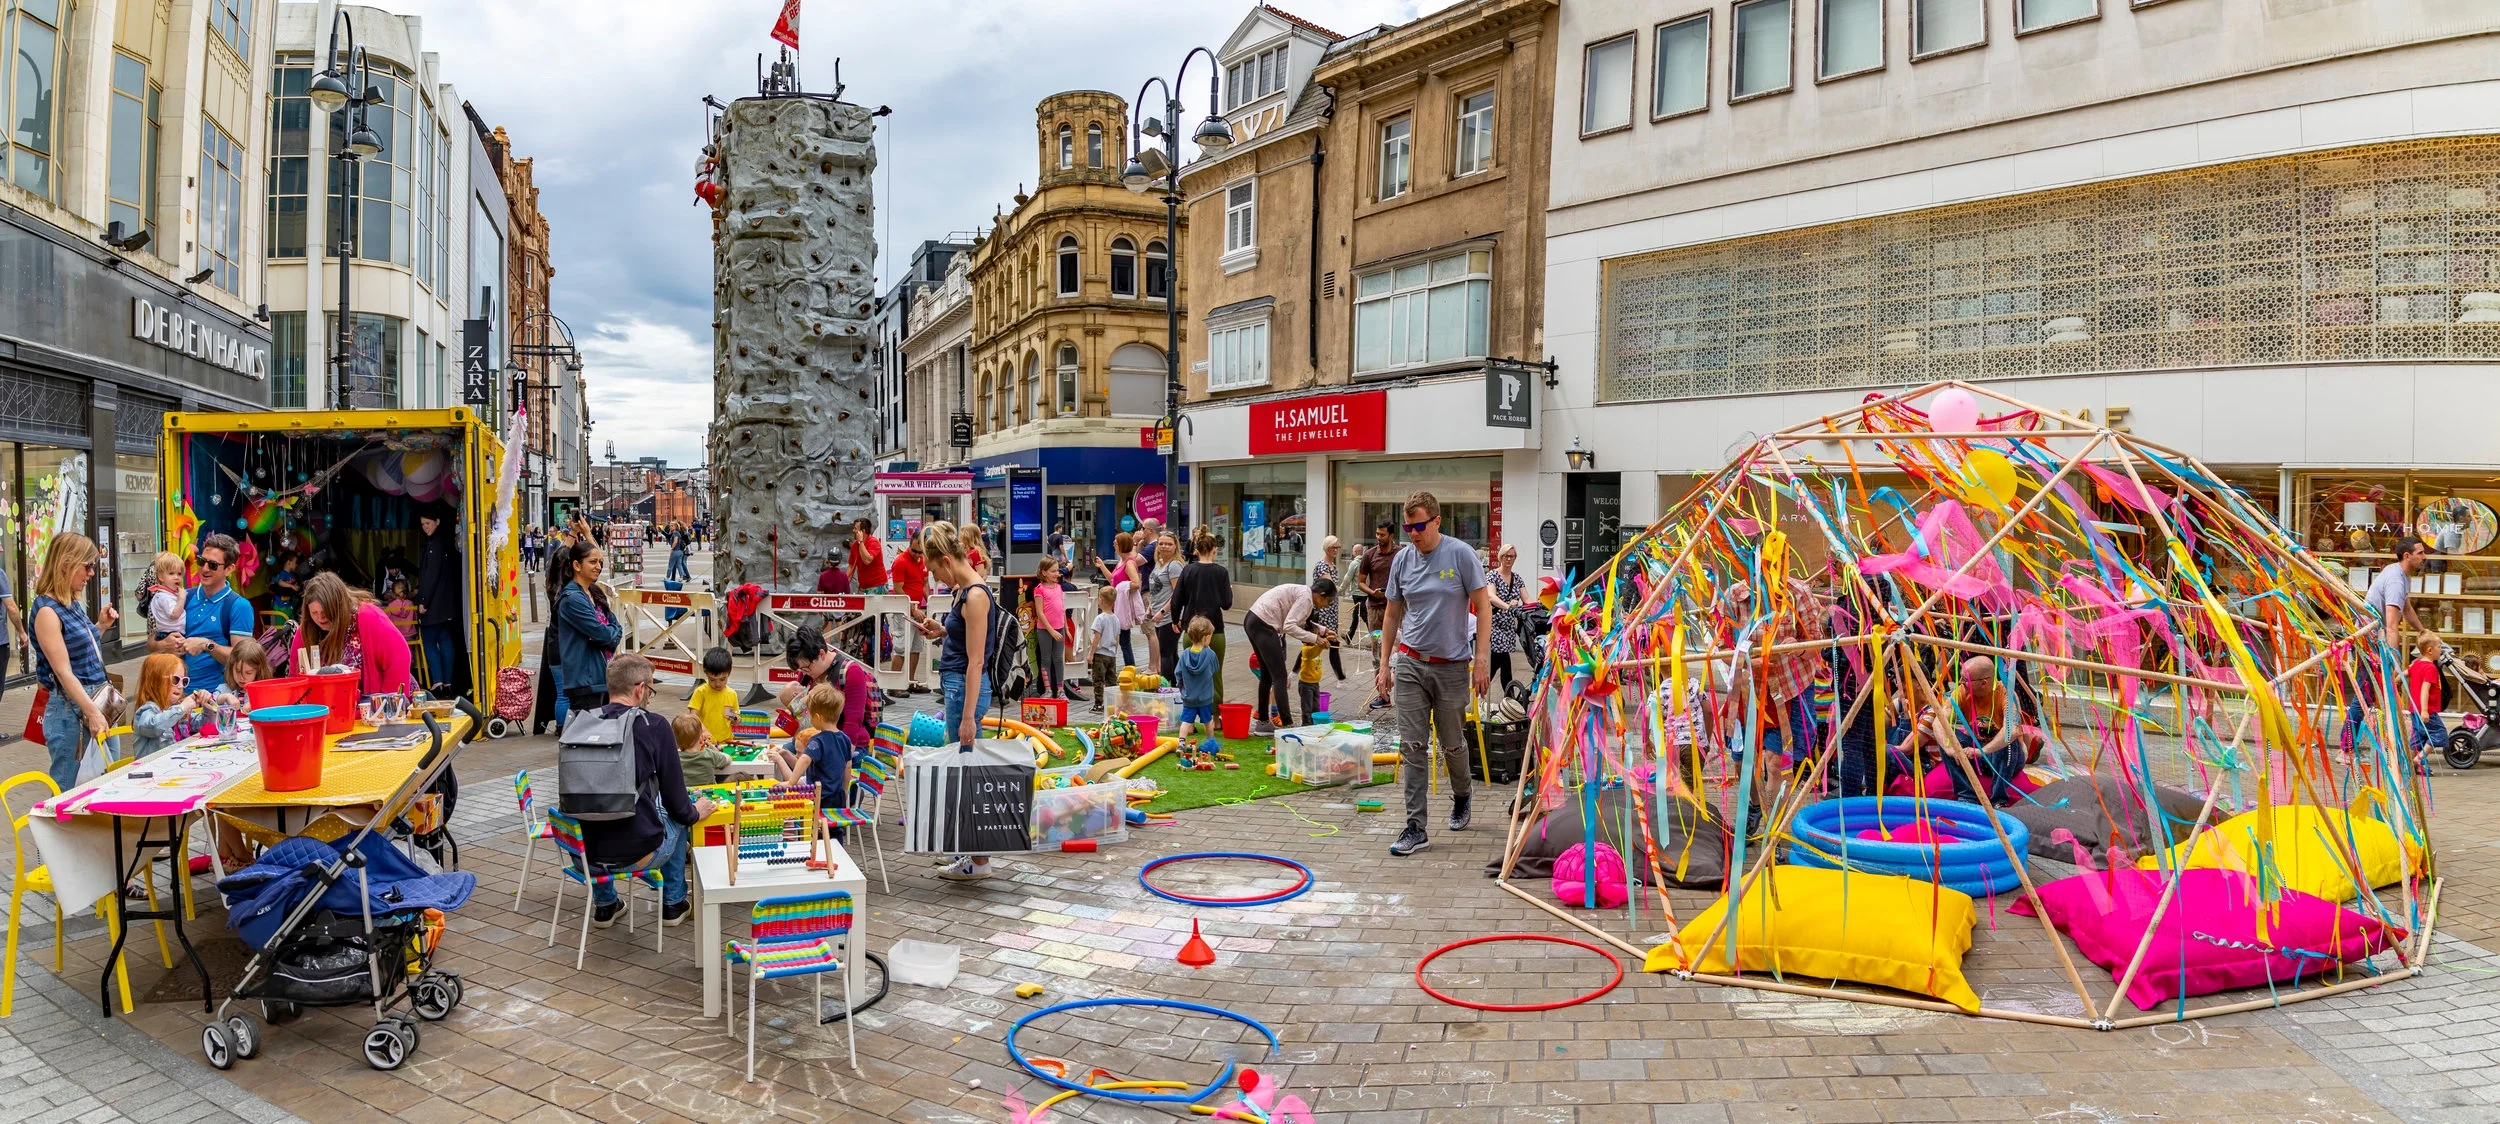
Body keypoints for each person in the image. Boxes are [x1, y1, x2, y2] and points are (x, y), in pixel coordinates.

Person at [1376, 491, 1492, 857]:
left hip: (1452, 666)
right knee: (1412, 746)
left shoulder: (1460, 554)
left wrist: (1483, 659)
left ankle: (1462, 794)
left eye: (1419, 526)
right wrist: (1384, 665)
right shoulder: (1402, 561)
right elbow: (1392, 614)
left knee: (1452, 743)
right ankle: (1416, 826)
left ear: (1437, 521)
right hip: (1410, 663)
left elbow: (1483, 606)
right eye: (1408, 527)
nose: (1413, 534)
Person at [578, 656, 712, 927]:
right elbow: (677, 803)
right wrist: (695, 812)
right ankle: (673, 903)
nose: (649, 696)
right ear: (640, 689)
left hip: (584, 854)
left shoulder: (581, 724)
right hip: (639, 854)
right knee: (677, 816)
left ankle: (605, 905)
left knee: (601, 814)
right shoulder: (655, 726)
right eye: (650, 689)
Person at [909, 521, 996, 882]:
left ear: (946, 559)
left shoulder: (974, 594)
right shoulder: (964, 589)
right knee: (962, 773)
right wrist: (942, 629)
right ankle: (968, 852)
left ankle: (978, 860)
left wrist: (967, 719)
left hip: (965, 688)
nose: (936, 579)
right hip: (958, 684)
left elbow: (977, 660)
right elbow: (963, 642)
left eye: (934, 571)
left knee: (967, 774)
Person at [29, 533, 118, 790]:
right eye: (88, 565)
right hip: (73, 709)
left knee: (107, 780)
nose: (92, 573)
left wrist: (100, 626)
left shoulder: (70, 603)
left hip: (93, 701)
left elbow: (81, 652)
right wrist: (92, 713)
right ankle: (61, 831)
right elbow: (64, 671)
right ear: (66, 563)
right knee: (69, 791)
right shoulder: (47, 611)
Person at [2349, 535, 2433, 752]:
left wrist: (2423, 631)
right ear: (2407, 556)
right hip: (2370, 640)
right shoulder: (2396, 580)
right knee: (2366, 694)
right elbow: (2392, 626)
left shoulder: (2399, 573)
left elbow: (2407, 609)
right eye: (2420, 553)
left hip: (2373, 638)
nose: (2424, 557)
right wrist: (2393, 658)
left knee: (2370, 695)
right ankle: (2346, 748)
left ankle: (2361, 746)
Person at [1925, 656, 2042, 806]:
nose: (1960, 683)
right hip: (1977, 752)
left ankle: (1999, 800)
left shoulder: (2007, 693)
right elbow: (1939, 721)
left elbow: (2011, 730)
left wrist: (1982, 751)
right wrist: (1949, 749)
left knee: (2007, 743)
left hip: (2004, 758)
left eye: (1965, 679)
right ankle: (1966, 795)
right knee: (1947, 737)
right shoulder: (1961, 691)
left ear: (1984, 683)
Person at [159, 533, 255, 695]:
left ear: (229, 569)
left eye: (212, 565)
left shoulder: (239, 606)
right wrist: (163, 645)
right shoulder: (184, 597)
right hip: (175, 696)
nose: (204, 569)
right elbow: (151, 643)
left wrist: (206, 645)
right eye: (202, 561)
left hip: (216, 696)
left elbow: (242, 659)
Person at [295, 572, 415, 700]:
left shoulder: (368, 617)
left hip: (378, 708)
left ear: (339, 606)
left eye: (326, 612)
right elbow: (295, 678)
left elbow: (399, 656)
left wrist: (387, 705)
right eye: (314, 613)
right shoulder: (306, 631)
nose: (320, 618)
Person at [1243, 579, 1336, 733]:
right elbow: (1290, 626)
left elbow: (1302, 622)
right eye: (1328, 601)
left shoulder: (1304, 594)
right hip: (1264, 623)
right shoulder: (1306, 598)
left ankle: (1263, 723)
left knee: (1267, 675)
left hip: (1253, 619)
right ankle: (1287, 725)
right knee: (1280, 677)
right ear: (1321, 595)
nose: (1326, 606)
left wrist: (1323, 631)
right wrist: (1315, 639)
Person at [549, 540, 623, 717]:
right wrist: (606, 635)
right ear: (576, 565)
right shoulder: (572, 598)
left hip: (601, 676)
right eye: (592, 562)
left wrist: (607, 635)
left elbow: (616, 628)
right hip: (584, 680)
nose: (598, 567)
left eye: (600, 562)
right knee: (589, 735)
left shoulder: (594, 592)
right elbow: (602, 633)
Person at [777, 626, 877, 749]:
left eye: (805, 668)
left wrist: (842, 758)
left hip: (844, 744)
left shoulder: (851, 672)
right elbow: (801, 709)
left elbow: (852, 724)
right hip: (813, 740)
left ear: (822, 654)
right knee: (780, 756)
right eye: (800, 669)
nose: (803, 673)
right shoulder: (807, 672)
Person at [773, 683, 854, 824]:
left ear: (818, 717)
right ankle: (834, 844)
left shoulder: (817, 740)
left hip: (818, 794)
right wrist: (845, 788)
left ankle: (819, 845)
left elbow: (804, 759)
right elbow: (848, 766)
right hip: (837, 794)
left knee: (815, 827)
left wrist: (791, 782)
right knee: (834, 827)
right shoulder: (845, 738)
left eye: (810, 715)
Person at [1171, 534, 1233, 707]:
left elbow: (1176, 599)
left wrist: (1176, 620)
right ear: (1215, 550)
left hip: (1191, 629)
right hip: (1215, 631)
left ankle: (1189, 718)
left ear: (1196, 551)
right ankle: (1214, 717)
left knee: (1189, 674)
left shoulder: (1188, 570)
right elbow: (1227, 604)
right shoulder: (1221, 572)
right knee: (1215, 674)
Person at [414, 504, 468, 697]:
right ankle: (448, 681)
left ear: (437, 522)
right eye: (422, 524)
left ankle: (437, 681)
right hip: (447, 605)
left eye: (427, 523)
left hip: (434, 606)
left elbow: (430, 576)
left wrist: (423, 600)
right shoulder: (445, 542)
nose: (425, 527)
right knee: (445, 640)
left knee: (429, 641)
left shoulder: (433, 546)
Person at [129, 654, 212, 760]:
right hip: (152, 771)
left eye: (184, 681)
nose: (180, 686)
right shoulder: (147, 710)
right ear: (156, 681)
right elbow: (154, 727)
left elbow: (204, 725)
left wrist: (208, 705)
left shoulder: (178, 708)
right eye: (175, 680)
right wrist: (181, 708)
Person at [1355, 522, 1397, 699]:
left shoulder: (1401, 554)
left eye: (1383, 535)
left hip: (1396, 608)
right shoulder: (1369, 555)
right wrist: (1372, 592)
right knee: (1377, 651)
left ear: (1391, 536)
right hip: (1374, 609)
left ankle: (1398, 692)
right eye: (1377, 534)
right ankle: (1382, 695)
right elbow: (1361, 582)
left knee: (1397, 650)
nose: (1379, 538)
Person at [889, 526, 932, 695]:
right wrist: (913, 609)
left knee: (916, 647)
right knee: (901, 647)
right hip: (904, 611)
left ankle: (910, 681)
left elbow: (925, 583)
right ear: (909, 545)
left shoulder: (922, 561)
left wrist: (928, 602)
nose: (917, 555)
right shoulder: (900, 561)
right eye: (914, 551)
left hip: (917, 609)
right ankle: (894, 685)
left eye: (920, 552)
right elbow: (898, 589)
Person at [1096, 531, 1143, 670]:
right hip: (1116, 605)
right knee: (1121, 640)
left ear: (1122, 545)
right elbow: (1113, 579)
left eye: (1115, 543)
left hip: (1122, 607)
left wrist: (1123, 587)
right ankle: (1127, 668)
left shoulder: (1128, 563)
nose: (1113, 545)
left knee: (1124, 640)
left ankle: (1130, 668)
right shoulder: (1121, 561)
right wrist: (1102, 566)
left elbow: (1136, 583)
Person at [1485, 545, 1527, 693]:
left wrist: (1540, 608)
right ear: (1500, 557)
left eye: (1512, 556)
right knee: (1502, 659)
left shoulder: (1517, 578)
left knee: (1498, 661)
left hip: (1508, 627)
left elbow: (1527, 599)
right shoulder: (1492, 576)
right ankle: (1508, 695)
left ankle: (1481, 688)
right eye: (1506, 556)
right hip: (1494, 625)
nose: (1509, 559)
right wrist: (1508, 606)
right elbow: (1491, 596)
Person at [1030, 556, 1073, 700]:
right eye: (1053, 571)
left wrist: (1066, 628)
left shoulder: (1059, 587)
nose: (1057, 574)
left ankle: (1060, 690)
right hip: (1045, 630)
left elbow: (1062, 610)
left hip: (1059, 628)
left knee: (1058, 659)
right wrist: (1051, 630)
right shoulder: (1039, 590)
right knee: (1046, 659)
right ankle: (1048, 690)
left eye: (1057, 571)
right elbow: (1040, 613)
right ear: (1044, 572)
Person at [1144, 533, 1184, 681]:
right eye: (1161, 544)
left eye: (1169, 544)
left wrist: (1162, 611)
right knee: (1171, 652)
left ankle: (1166, 685)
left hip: (1170, 617)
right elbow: (1156, 590)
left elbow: (1177, 594)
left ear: (1175, 547)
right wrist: (1150, 609)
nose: (1164, 547)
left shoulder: (1174, 565)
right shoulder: (1160, 562)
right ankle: (1178, 684)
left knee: (1165, 653)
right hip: (1158, 614)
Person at [1175, 617, 1219, 743]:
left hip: (1189, 697)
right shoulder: (1210, 655)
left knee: (1186, 721)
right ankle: (1211, 743)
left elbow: (1177, 673)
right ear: (1206, 637)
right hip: (1205, 698)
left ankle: (1181, 742)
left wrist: (1182, 687)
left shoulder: (1184, 655)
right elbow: (1215, 668)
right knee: (1207, 722)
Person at [1309, 536, 1347, 683]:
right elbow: (1330, 587)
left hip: (1332, 609)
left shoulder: (1332, 566)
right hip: (1323, 610)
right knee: (1320, 643)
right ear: (1326, 548)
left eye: (1337, 547)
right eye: (1333, 547)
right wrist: (1344, 589)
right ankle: (1298, 671)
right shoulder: (1323, 566)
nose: (1336, 550)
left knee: (1331, 643)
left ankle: (1340, 677)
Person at [2409, 632, 2446, 771]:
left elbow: (2406, 672)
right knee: (2439, 733)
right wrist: (2425, 710)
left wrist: (2397, 681)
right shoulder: (2431, 668)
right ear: (2430, 650)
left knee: (2418, 737)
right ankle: (2419, 758)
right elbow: (2425, 689)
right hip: (2427, 710)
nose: (2441, 649)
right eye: (2439, 646)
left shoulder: (2417, 663)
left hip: (2414, 708)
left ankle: (2410, 766)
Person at [689, 647, 740, 746]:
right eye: (712, 680)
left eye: (722, 679)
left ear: (729, 673)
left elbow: (732, 717)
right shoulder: (701, 692)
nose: (717, 684)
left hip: (726, 742)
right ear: (706, 673)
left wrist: (736, 719)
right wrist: (704, 731)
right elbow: (692, 716)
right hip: (705, 743)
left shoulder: (731, 694)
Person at [672, 712, 731, 788]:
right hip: (709, 796)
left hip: (686, 797)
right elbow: (728, 758)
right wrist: (716, 751)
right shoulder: (709, 754)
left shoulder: (674, 758)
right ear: (701, 737)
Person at [1086, 586, 1119, 711]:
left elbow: (1097, 637)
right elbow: (1117, 638)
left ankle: (1098, 703)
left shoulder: (1100, 618)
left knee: (1098, 680)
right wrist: (1115, 651)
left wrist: (1091, 653)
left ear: (1101, 600)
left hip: (1100, 653)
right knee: (1111, 680)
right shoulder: (1116, 618)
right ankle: (1111, 704)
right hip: (1111, 654)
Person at [142, 553, 186, 642]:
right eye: (171, 573)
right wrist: (182, 598)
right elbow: (174, 615)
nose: (176, 577)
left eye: (179, 574)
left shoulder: (168, 594)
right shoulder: (163, 596)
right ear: (161, 577)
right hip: (170, 634)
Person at [848, 518, 888, 593]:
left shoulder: (874, 542)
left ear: (862, 531)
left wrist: (860, 542)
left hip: (877, 586)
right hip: (863, 587)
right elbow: (851, 566)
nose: (853, 531)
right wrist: (845, 583)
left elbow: (867, 560)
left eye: (855, 528)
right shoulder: (854, 545)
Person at [1298, 632, 1325, 724]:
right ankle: (1306, 725)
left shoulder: (1316, 647)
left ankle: (1314, 723)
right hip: (1306, 685)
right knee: (1307, 708)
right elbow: (1313, 653)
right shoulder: (1306, 650)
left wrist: (1328, 638)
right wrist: (1322, 644)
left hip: (1315, 684)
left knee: (1316, 707)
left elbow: (1318, 649)